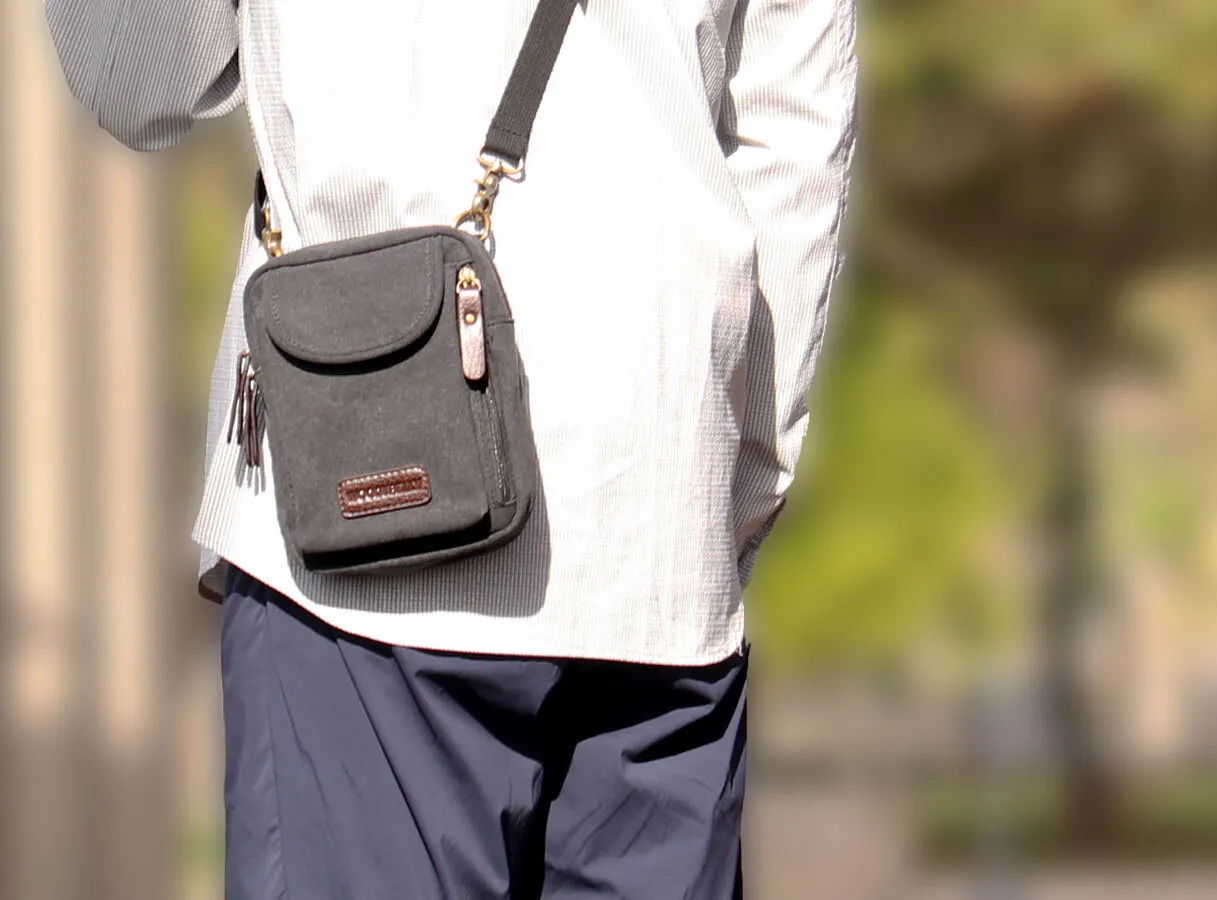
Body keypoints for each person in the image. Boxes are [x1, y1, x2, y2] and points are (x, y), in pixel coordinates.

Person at [45, 0, 858, 895]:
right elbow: (794, 133)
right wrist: (727, 486)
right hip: (661, 543)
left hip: (358, 542)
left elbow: (135, 76)